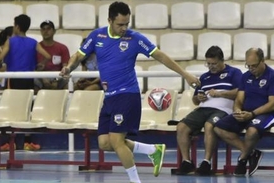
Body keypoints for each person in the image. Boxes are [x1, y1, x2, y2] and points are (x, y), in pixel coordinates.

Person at [60, 2, 200, 183]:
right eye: (120, 24)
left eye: (127, 23)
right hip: (109, 97)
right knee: (104, 143)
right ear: (109, 20)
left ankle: (136, 181)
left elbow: (161, 56)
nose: (124, 28)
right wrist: (69, 67)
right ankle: (152, 150)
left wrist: (186, 74)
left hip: (127, 95)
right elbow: (79, 55)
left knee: (117, 142)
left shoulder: (135, 39)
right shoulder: (97, 36)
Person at [176, 46, 242, 175]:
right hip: (203, 108)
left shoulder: (234, 72)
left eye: (214, 64)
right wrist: (198, 97)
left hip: (223, 109)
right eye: (208, 64)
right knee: (182, 126)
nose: (211, 67)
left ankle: (206, 162)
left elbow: (239, 92)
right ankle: (186, 162)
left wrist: (220, 93)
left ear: (222, 60)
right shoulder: (204, 77)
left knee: (209, 125)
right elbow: (195, 100)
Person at [214, 48, 274, 176]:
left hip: (267, 113)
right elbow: (239, 98)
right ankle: (251, 153)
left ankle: (242, 160)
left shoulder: (272, 76)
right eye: (248, 65)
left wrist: (252, 114)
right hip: (246, 112)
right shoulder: (245, 76)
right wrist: (237, 110)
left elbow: (272, 104)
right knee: (219, 128)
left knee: (252, 132)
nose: (251, 68)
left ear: (263, 61)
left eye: (254, 65)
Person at [0, 14, 51, 151]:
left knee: (12, 109)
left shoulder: (11, 41)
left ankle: (11, 142)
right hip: (28, 78)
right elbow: (47, 56)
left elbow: (1, 57)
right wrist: (40, 65)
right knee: (28, 108)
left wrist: (0, 61)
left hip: (14, 78)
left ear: (17, 26)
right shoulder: (33, 42)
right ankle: (28, 141)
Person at [34, 20, 70, 93]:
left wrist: (56, 80)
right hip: (41, 76)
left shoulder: (62, 48)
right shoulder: (36, 48)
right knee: (33, 80)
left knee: (66, 80)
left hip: (58, 76)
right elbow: (34, 68)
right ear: (41, 31)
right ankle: (35, 103)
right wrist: (43, 78)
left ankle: (65, 103)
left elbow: (65, 67)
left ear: (54, 31)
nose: (46, 31)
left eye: (48, 29)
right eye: (43, 29)